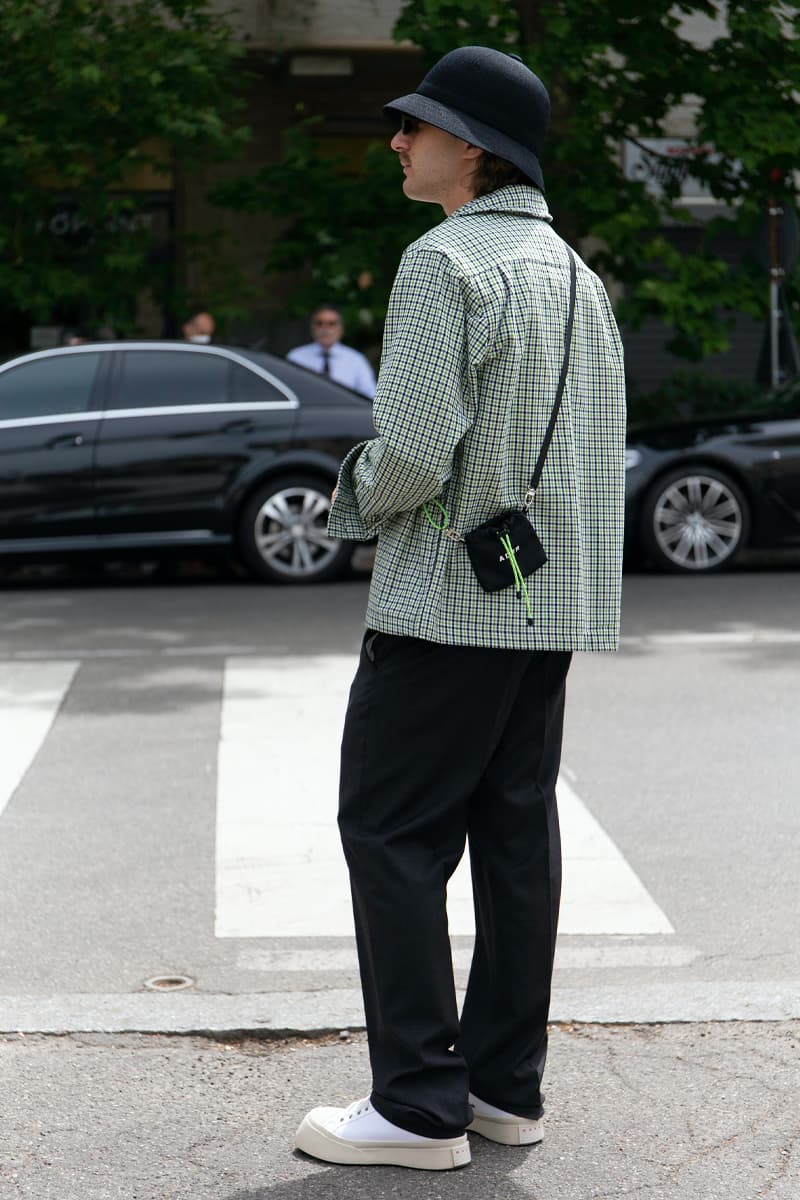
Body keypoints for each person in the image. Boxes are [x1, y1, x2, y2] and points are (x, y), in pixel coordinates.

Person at [293, 46, 626, 1172]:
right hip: (542, 605)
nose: (397, 139)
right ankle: (500, 1090)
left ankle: (417, 1107)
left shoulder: (442, 263)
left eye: (414, 125)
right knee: (514, 839)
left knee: (388, 833)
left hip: (444, 602)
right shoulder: (574, 274)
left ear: (468, 148)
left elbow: (414, 454)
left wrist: (346, 496)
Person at [287, 305, 376, 398]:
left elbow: (369, 396)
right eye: (319, 323)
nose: (325, 328)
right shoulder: (296, 357)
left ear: (341, 328)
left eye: (331, 323)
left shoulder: (356, 360)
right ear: (312, 327)